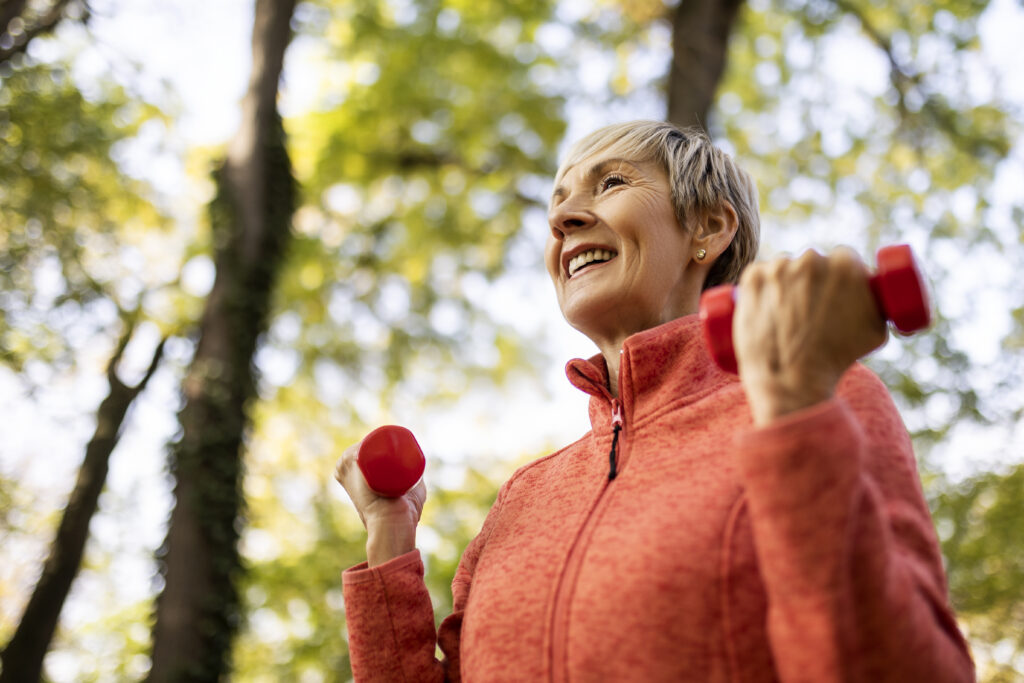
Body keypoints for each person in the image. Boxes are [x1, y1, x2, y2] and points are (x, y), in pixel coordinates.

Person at [334, 121, 974, 682]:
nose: (563, 219)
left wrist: (799, 408)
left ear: (709, 227)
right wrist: (391, 538)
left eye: (611, 183)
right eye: (558, 202)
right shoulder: (524, 497)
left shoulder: (822, 399)